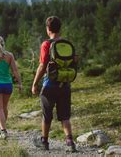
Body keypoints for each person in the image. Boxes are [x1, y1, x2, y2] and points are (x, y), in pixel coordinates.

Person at [31, 16, 77, 152]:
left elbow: (42, 65)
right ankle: (70, 142)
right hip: (65, 84)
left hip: (49, 85)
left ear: (48, 29)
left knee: (47, 115)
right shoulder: (67, 44)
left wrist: (35, 83)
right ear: (60, 28)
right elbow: (74, 61)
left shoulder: (46, 44)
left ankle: (44, 142)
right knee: (65, 116)